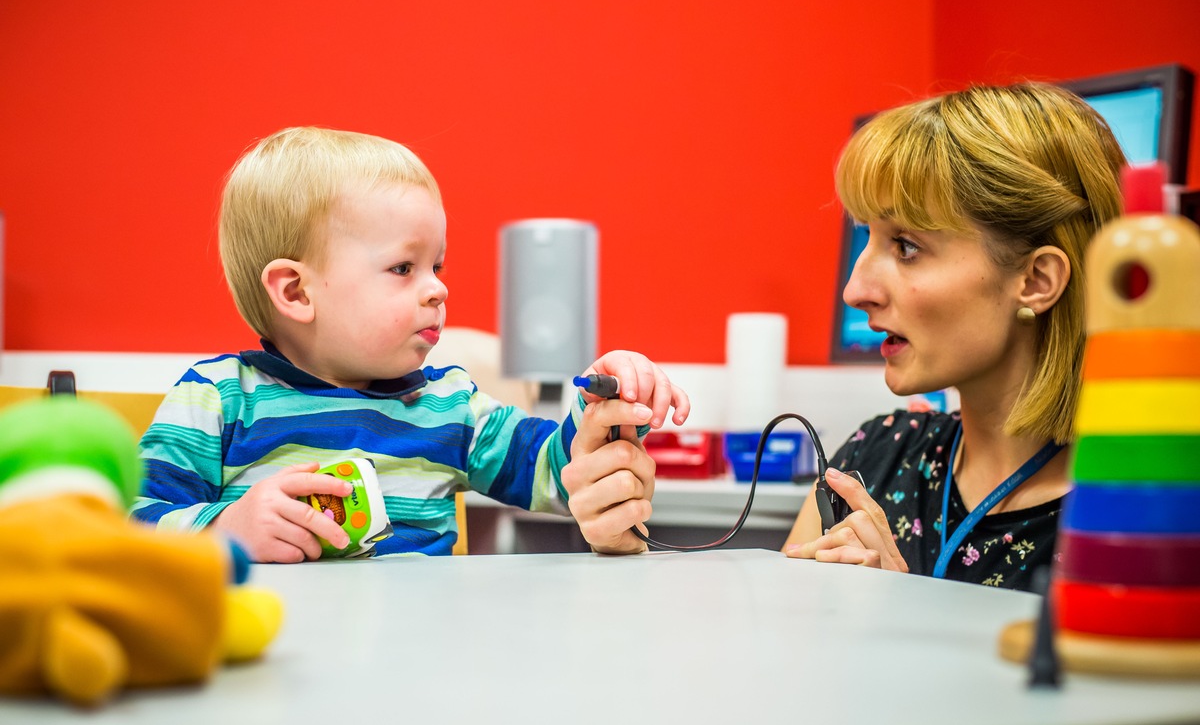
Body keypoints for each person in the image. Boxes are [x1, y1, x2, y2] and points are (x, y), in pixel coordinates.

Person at [131, 126, 688, 561]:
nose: (439, 288)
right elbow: (128, 527)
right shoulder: (218, 399)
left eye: (437, 265)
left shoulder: (450, 407)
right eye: (403, 267)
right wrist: (225, 528)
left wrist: (599, 417)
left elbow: (555, 474)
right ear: (297, 291)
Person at [782, 82, 1124, 591]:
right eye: (866, 236)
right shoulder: (873, 456)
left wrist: (894, 615)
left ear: (1036, 281)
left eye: (906, 246)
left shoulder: (1135, 519)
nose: (856, 290)